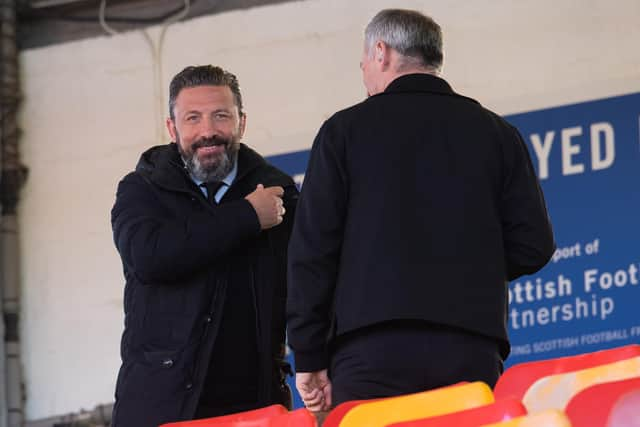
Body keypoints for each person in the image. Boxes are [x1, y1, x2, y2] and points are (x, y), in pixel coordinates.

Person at [286, 9, 555, 411]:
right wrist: (469, 268)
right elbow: (534, 245)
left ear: (381, 53)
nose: (363, 71)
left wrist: (309, 357)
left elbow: (312, 253)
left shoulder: (343, 132)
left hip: (370, 352)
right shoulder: (497, 133)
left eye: (363, 61)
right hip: (469, 347)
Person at [111, 65, 298, 427]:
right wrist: (246, 217)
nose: (208, 131)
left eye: (221, 116)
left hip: (254, 405)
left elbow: (307, 288)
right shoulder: (141, 189)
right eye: (193, 118)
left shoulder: (280, 193)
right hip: (157, 405)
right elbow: (149, 257)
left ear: (241, 122)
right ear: (172, 128)